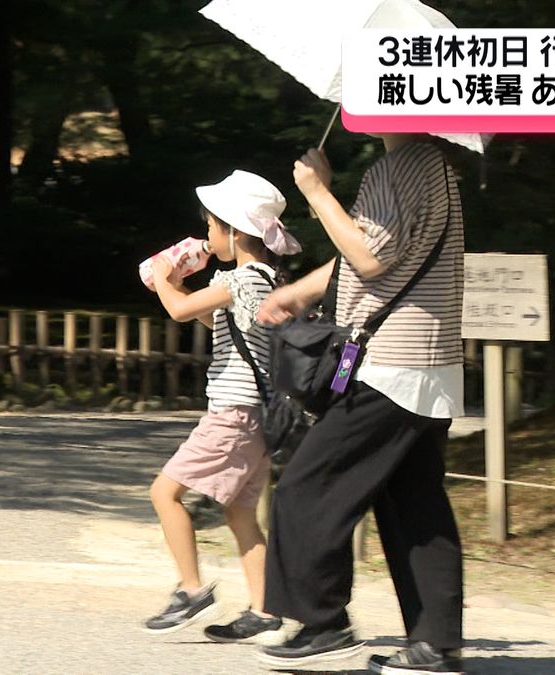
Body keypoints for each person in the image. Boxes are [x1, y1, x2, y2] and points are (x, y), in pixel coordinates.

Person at [254, 134, 467, 674]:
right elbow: (376, 250)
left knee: (305, 490)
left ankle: (324, 623)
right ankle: (434, 645)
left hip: (391, 365)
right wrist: (301, 290)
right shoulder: (434, 164)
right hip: (430, 363)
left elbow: (370, 258)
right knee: (415, 507)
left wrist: (316, 191)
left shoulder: (397, 167)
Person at [143, 170, 302, 645]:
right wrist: (182, 288)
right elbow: (222, 326)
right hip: (258, 417)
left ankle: (192, 590)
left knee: (164, 494)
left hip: (233, 413)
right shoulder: (270, 277)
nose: (208, 237)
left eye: (212, 227)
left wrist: (163, 273)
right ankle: (265, 608)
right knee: (239, 513)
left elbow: (176, 310)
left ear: (235, 231)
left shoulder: (241, 279)